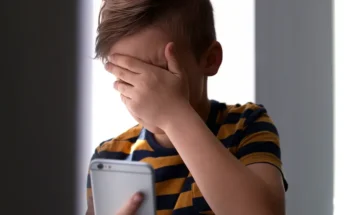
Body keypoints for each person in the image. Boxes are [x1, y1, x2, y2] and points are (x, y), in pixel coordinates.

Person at [86, 0, 288, 214]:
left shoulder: (246, 125)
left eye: (159, 75)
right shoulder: (110, 158)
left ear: (210, 59)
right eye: (129, 77)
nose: (145, 93)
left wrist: (174, 115)